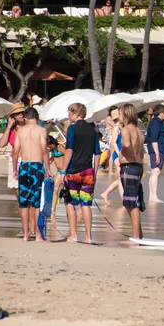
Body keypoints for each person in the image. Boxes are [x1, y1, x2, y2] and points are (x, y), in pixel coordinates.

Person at [60, 103, 101, 243]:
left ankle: (73, 235)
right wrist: (94, 172)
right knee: (86, 204)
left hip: (73, 171)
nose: (68, 115)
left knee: (70, 202)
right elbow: (97, 153)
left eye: (69, 112)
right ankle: (89, 237)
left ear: (76, 113)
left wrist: (63, 171)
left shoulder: (72, 129)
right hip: (88, 171)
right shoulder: (93, 129)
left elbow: (69, 150)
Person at [12, 108, 52, 242]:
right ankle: (38, 235)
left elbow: (15, 152)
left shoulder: (20, 131)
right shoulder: (41, 130)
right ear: (36, 117)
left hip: (24, 165)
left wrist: (14, 169)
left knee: (23, 202)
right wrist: (48, 168)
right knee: (36, 202)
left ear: (26, 117)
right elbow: (44, 150)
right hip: (37, 166)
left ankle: (25, 235)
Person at [118, 104, 146, 240]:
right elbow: (141, 151)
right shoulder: (139, 131)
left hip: (129, 166)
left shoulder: (125, 130)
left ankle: (136, 237)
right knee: (133, 200)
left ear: (126, 115)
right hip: (138, 166)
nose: (119, 117)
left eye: (120, 114)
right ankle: (139, 234)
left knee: (131, 203)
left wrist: (121, 154)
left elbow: (127, 145)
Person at [1, 103, 27, 236]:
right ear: (13, 116)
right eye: (18, 113)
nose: (21, 115)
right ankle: (24, 227)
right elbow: (2, 144)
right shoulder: (12, 129)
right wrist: (9, 126)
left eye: (22, 112)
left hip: (27, 160)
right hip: (15, 163)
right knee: (19, 197)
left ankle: (31, 228)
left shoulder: (29, 127)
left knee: (29, 195)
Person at [100, 109, 124, 204]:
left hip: (122, 155)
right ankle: (123, 199)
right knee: (121, 178)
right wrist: (119, 154)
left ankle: (105, 193)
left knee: (120, 178)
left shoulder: (122, 127)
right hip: (118, 155)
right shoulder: (116, 128)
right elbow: (114, 143)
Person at [146, 104, 164, 203]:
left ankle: (152, 196)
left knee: (154, 173)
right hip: (157, 149)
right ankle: (153, 196)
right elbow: (154, 139)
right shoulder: (155, 123)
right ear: (161, 113)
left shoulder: (156, 122)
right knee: (156, 172)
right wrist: (157, 154)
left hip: (158, 149)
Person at [47, 135, 65, 224]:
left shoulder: (60, 147)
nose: (49, 147)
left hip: (65, 170)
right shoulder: (52, 150)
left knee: (69, 190)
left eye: (50, 145)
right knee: (55, 189)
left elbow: (68, 157)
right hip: (59, 171)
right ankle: (53, 209)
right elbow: (52, 159)